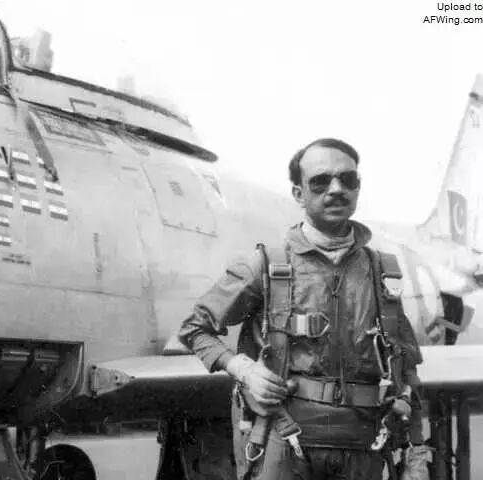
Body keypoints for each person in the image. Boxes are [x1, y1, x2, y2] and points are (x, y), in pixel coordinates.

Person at [179, 138, 430, 480]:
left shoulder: (382, 272)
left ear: (358, 188)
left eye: (347, 179)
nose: (336, 189)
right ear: (299, 193)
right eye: (320, 181)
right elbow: (195, 328)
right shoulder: (265, 265)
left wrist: (416, 452)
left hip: (362, 442)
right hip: (284, 438)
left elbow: (407, 370)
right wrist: (245, 371)